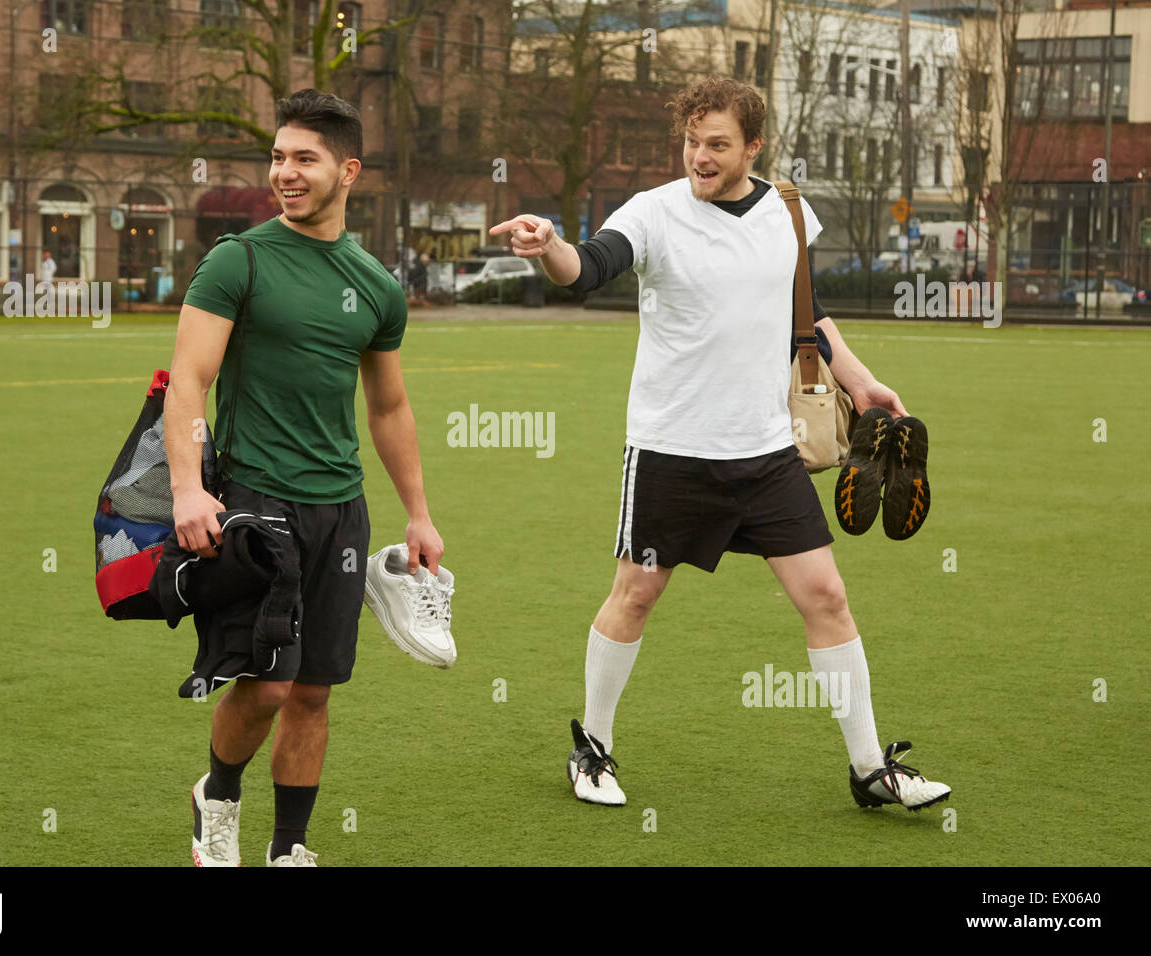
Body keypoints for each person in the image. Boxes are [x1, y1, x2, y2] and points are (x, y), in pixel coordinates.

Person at [490, 75, 950, 813]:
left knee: (826, 595)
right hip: (671, 446)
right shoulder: (655, 212)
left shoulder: (791, 211)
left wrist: (860, 381)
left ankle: (870, 769)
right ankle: (594, 748)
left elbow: (808, 310)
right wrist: (549, 247)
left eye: (716, 145)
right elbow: (591, 267)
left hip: (765, 452)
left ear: (753, 146)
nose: (699, 157)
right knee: (636, 594)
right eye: (691, 142)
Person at [166, 89, 445, 867]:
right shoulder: (239, 259)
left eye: (303, 159)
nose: (284, 173)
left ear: (348, 170)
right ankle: (217, 792)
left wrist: (418, 514)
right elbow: (189, 380)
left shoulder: (377, 286)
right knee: (268, 684)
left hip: (341, 510)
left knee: (315, 689)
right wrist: (189, 488)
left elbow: (388, 406)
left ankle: (290, 848)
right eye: (278, 158)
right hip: (255, 500)